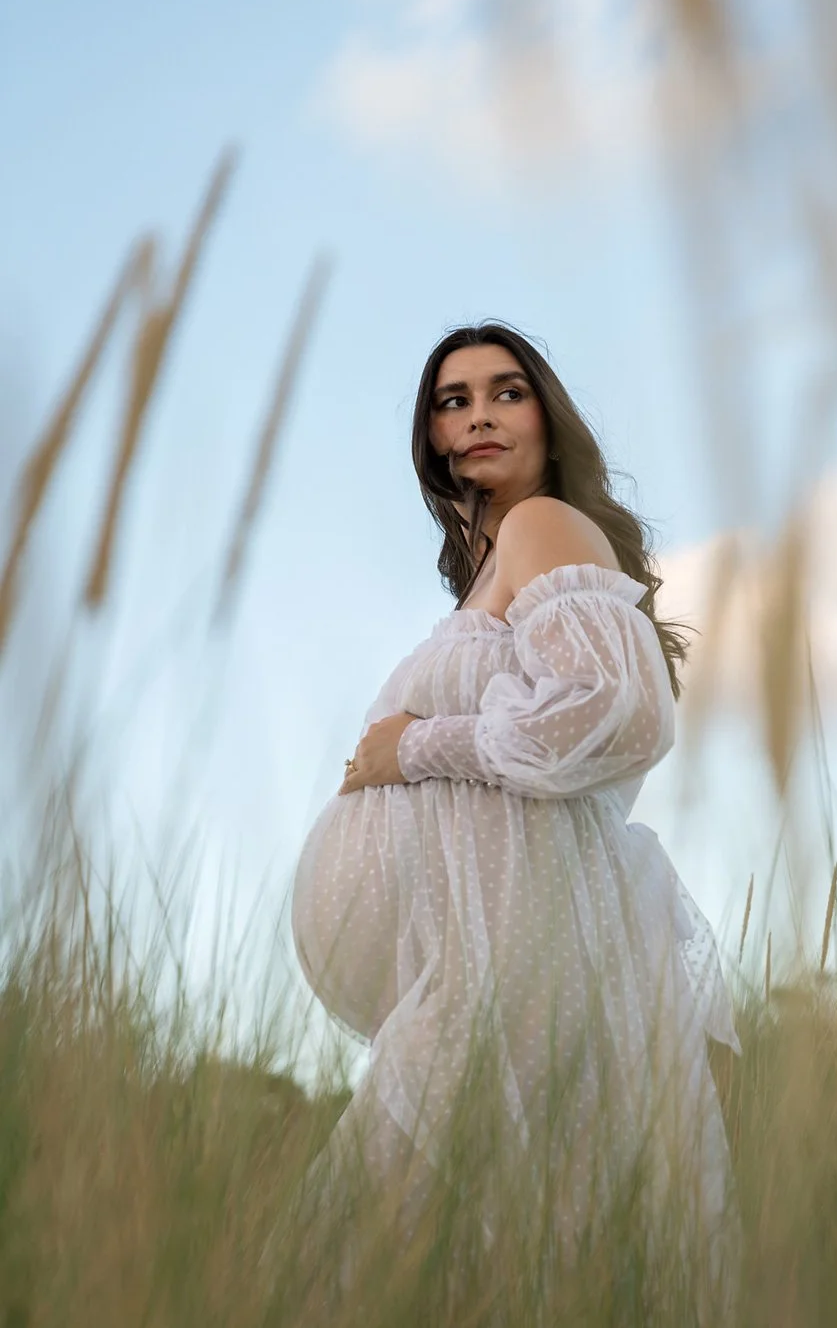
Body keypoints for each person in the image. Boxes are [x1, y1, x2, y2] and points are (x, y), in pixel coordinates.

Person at [290, 322, 740, 1315]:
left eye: (505, 391)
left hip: (514, 956)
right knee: (484, 1253)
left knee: (397, 1244)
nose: (479, 414)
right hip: (483, 960)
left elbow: (616, 711)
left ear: (546, 415)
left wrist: (410, 749)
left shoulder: (542, 527)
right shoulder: (492, 569)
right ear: (435, 436)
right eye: (454, 400)